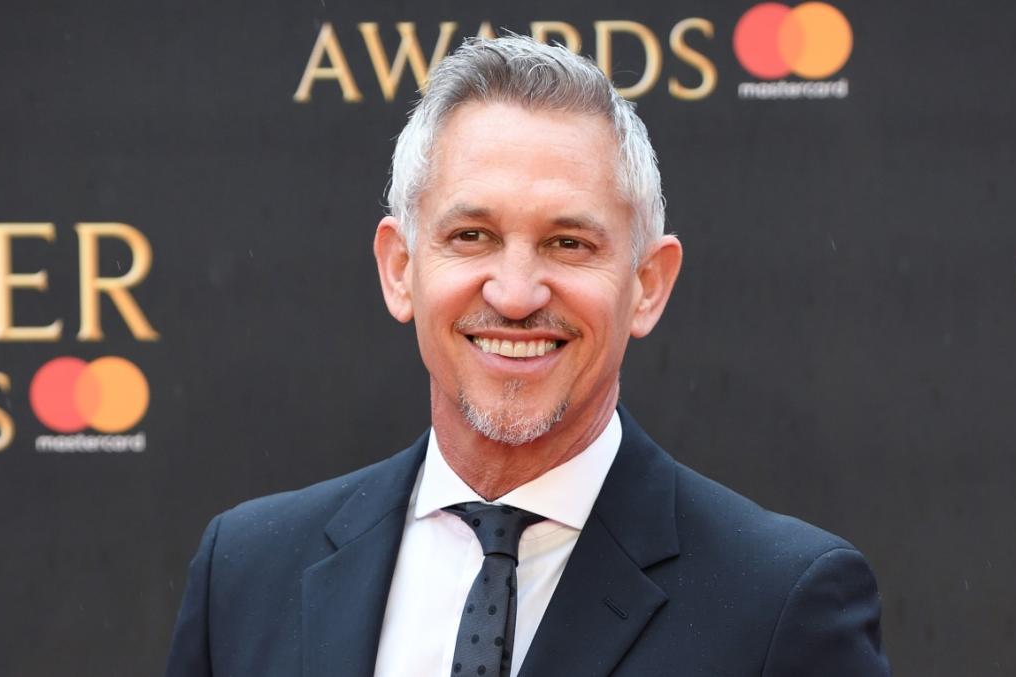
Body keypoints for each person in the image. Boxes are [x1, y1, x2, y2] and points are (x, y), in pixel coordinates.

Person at [165, 35, 890, 677]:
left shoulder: (778, 603)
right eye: (472, 236)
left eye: (568, 243)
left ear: (646, 285)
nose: (515, 293)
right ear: (399, 267)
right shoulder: (246, 573)